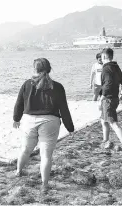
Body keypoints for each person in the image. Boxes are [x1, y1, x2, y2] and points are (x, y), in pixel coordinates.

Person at [13, 58, 75, 192]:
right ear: (49, 69)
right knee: (46, 156)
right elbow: (64, 109)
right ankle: (44, 185)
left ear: (34, 69)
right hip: (50, 121)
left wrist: (16, 119)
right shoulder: (57, 86)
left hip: (29, 121)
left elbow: (19, 104)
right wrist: (70, 128)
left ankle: (18, 172)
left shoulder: (27, 84)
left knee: (25, 149)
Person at [99, 48, 122, 154]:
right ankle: (106, 141)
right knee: (103, 120)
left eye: (102, 58)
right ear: (111, 57)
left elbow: (107, 84)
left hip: (108, 99)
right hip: (115, 98)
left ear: (104, 57)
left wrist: (102, 97)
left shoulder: (106, 68)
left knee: (113, 123)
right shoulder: (116, 67)